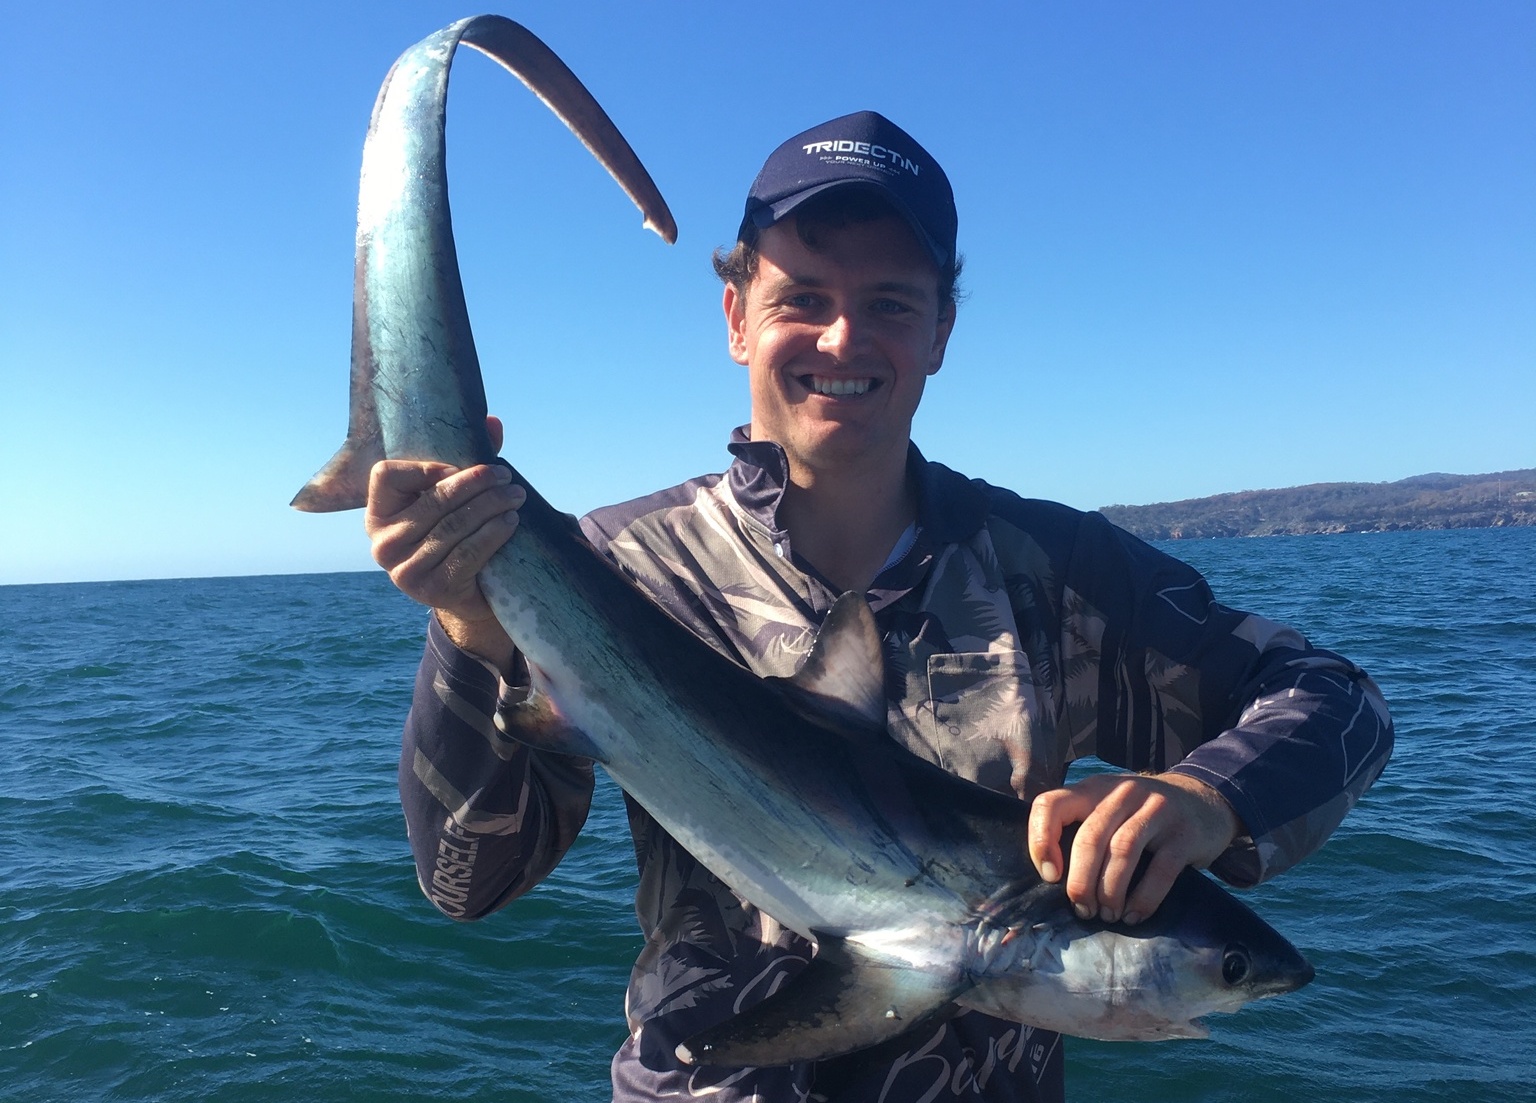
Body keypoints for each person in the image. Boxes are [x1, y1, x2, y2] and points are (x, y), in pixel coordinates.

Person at [365, 111, 1393, 1102]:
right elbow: (469, 882)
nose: (844, 336)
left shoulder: (1056, 571)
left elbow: (1341, 701)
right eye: (802, 296)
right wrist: (471, 629)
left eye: (892, 302)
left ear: (941, 329)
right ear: (736, 318)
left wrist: (1208, 798)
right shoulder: (625, 567)